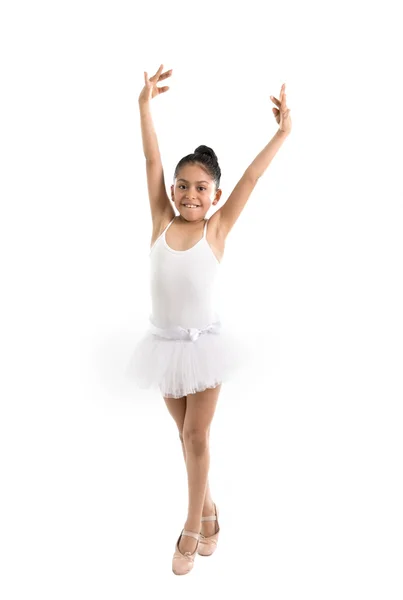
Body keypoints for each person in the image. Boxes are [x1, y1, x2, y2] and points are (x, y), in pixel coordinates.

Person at [126, 64, 292, 575]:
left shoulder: (217, 229)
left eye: (200, 188)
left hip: (205, 347)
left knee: (197, 438)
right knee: (184, 438)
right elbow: (151, 158)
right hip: (164, 345)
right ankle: (213, 510)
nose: (189, 195)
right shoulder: (161, 219)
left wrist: (282, 133)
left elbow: (251, 178)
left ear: (214, 196)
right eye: (182, 186)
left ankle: (192, 526)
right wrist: (144, 106)